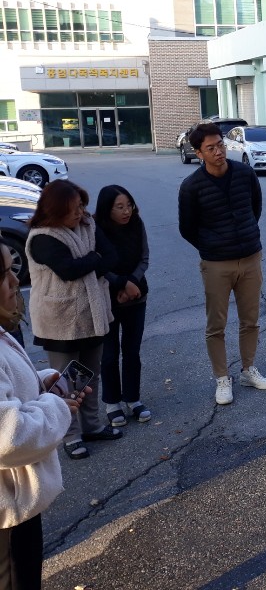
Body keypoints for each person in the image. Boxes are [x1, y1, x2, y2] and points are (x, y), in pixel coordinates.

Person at [0, 238, 86, 590]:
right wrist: (54, 405)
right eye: (3, 274)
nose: (13, 282)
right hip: (7, 515)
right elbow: (8, 436)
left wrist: (39, 384)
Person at [178, 122, 266, 405]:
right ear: (199, 153)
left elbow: (255, 208)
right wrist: (212, 246)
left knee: (250, 320)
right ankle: (222, 378)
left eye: (220, 145)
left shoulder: (244, 173)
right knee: (216, 325)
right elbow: (187, 228)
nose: (218, 152)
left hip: (250, 257)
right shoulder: (191, 187)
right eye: (210, 148)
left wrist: (245, 235)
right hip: (216, 264)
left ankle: (248, 370)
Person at [25, 180, 121, 460]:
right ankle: (69, 435)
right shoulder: (42, 237)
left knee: (90, 374)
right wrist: (94, 259)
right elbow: (68, 270)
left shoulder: (88, 225)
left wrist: (90, 262)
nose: (79, 213)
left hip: (93, 314)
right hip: (60, 320)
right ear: (55, 211)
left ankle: (91, 426)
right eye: (72, 209)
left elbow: (111, 257)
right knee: (65, 381)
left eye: (80, 206)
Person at [95, 185, 152, 427]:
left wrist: (131, 283)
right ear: (107, 209)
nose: (126, 211)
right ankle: (112, 402)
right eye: (119, 207)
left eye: (129, 205)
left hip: (136, 295)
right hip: (107, 299)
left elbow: (144, 258)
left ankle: (132, 399)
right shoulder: (95, 229)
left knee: (132, 351)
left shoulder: (136, 224)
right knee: (109, 355)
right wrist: (120, 284)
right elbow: (97, 265)